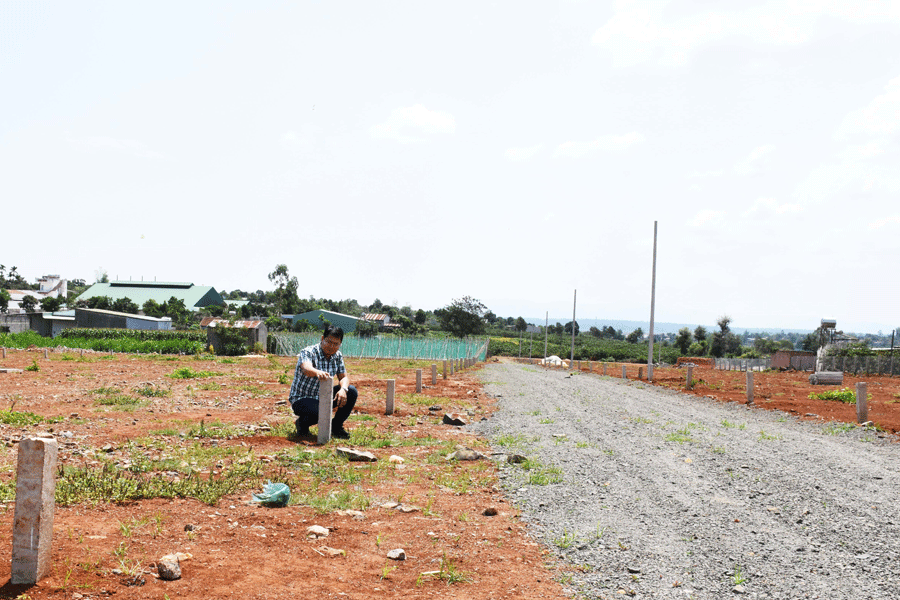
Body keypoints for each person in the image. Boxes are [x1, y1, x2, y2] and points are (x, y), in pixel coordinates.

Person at [288, 325, 358, 439]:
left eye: (336, 344)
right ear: (322, 339)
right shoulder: (309, 352)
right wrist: (317, 372)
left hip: (323, 396)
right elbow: (306, 368)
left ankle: (336, 426)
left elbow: (344, 377)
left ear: (340, 344)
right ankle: (302, 424)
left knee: (351, 391)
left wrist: (343, 389)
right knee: (321, 410)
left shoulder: (337, 356)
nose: (332, 346)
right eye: (329, 342)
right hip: (302, 398)